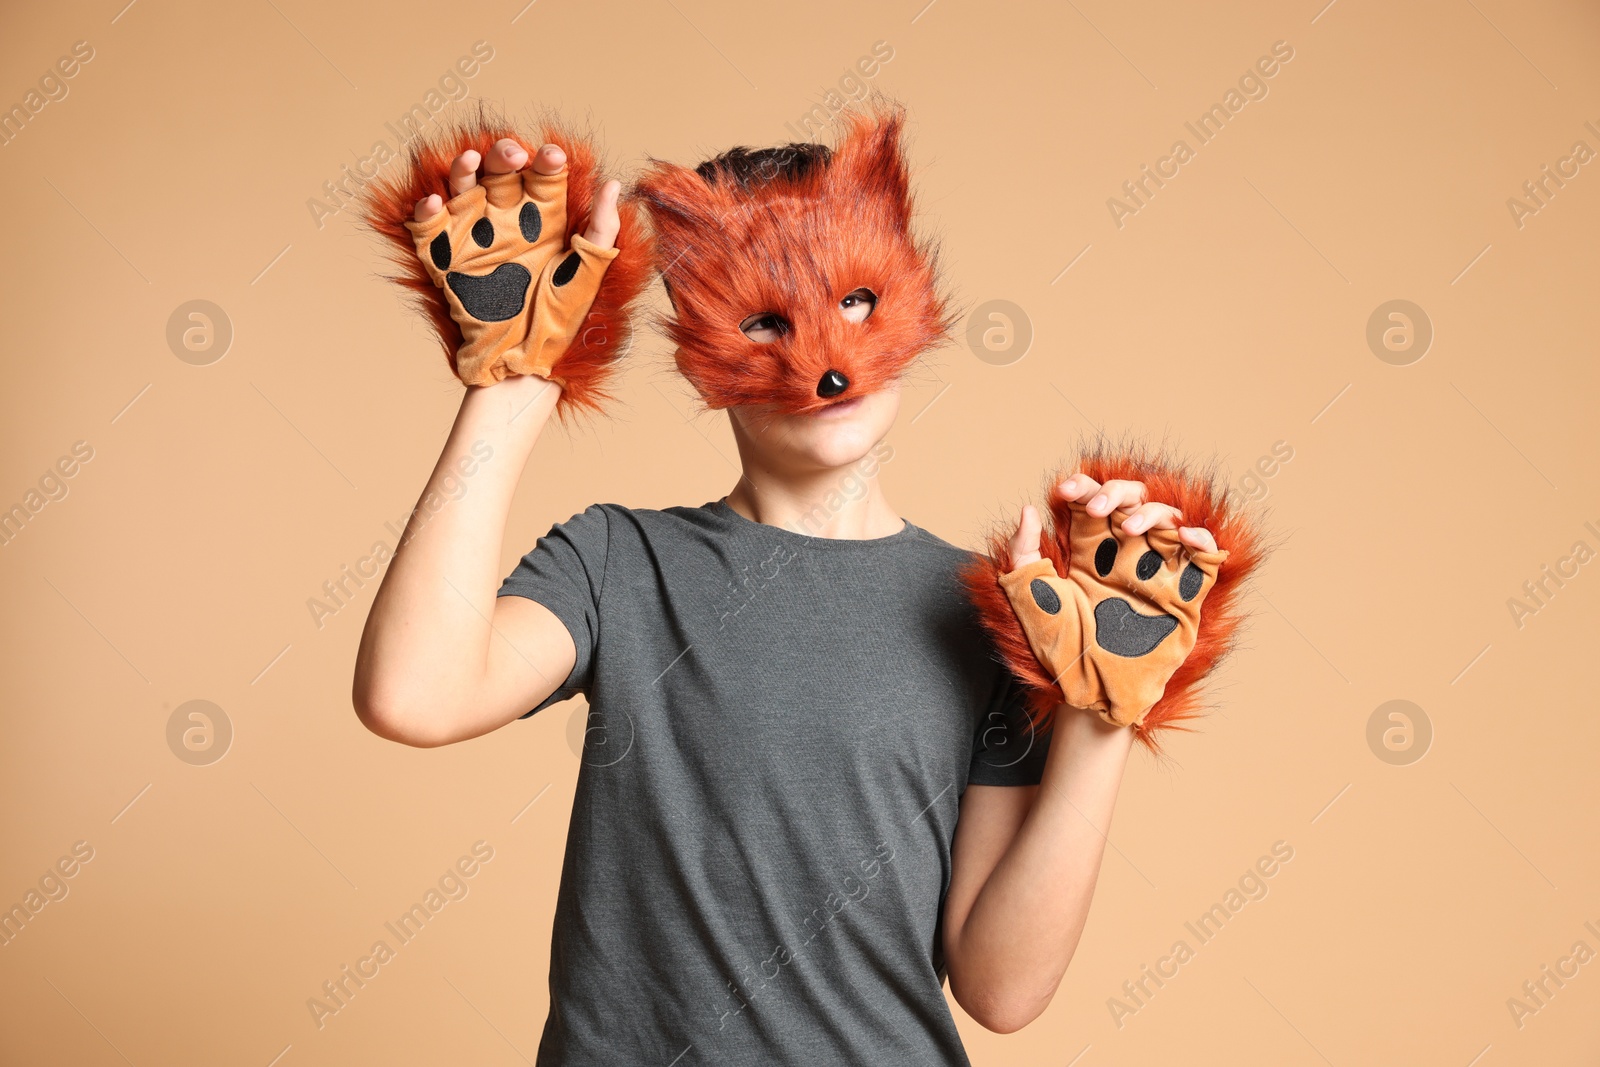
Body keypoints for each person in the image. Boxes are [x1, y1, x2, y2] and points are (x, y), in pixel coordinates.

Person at [352, 105, 1231, 1065]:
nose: (825, 360)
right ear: (697, 343)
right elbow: (414, 695)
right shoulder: (618, 564)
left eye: (857, 301)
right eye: (766, 319)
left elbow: (1001, 988)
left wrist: (1103, 718)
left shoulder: (1003, 617)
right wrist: (513, 381)